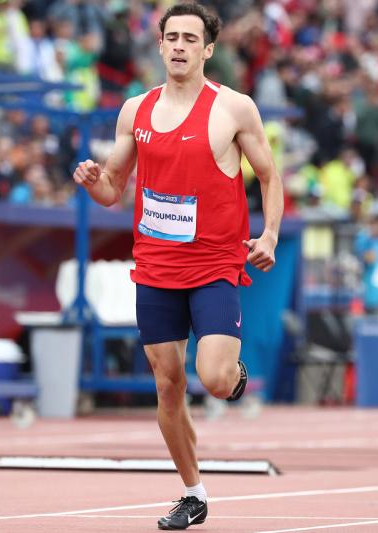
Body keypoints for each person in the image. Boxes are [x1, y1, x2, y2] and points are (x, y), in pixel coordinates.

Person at [73, 2, 283, 530]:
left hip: (214, 263)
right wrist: (93, 178)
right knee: (168, 386)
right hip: (156, 267)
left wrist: (271, 234)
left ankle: (234, 374)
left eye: (191, 38)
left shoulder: (234, 108)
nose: (180, 46)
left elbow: (270, 177)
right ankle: (193, 493)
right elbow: (112, 191)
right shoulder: (135, 111)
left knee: (211, 378)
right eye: (172, 37)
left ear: (208, 49)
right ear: (160, 44)